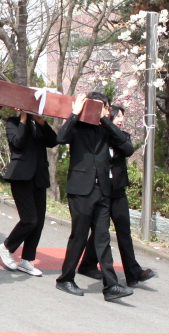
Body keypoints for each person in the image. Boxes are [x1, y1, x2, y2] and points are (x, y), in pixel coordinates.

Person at [54, 92, 135, 301]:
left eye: (104, 107)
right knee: (79, 236)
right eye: (95, 106)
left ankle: (111, 285)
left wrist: (106, 121)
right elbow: (61, 138)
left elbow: (127, 148)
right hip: (81, 189)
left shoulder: (107, 129)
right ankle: (65, 278)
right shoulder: (78, 125)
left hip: (103, 190)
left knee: (102, 238)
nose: (99, 110)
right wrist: (74, 113)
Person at [78, 104, 156, 287]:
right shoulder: (98, 135)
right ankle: (88, 265)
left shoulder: (122, 136)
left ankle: (133, 273)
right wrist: (104, 123)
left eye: (123, 117)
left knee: (124, 231)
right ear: (109, 116)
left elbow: (128, 150)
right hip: (101, 189)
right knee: (100, 230)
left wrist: (111, 127)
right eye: (118, 116)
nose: (122, 120)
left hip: (118, 191)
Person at [0, 110, 58, 277]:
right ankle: (7, 247)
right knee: (30, 220)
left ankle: (26, 260)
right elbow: (17, 143)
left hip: (39, 177)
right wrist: (23, 119)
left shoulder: (40, 124)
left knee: (39, 222)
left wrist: (41, 121)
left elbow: (53, 141)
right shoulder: (13, 122)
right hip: (20, 176)